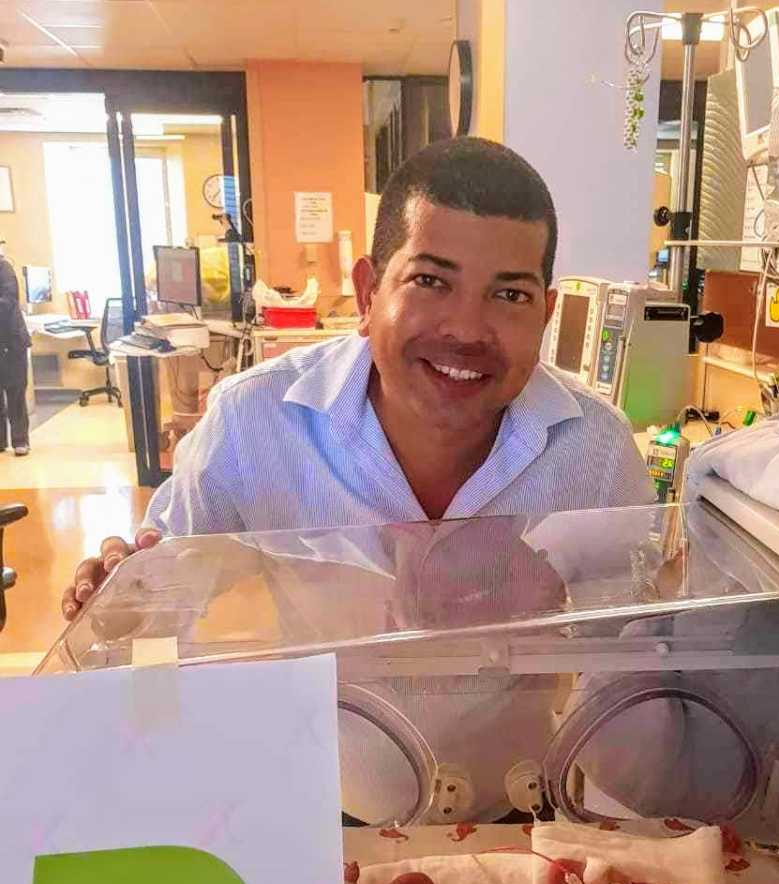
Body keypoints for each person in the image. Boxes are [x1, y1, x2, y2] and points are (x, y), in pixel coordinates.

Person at [62, 136, 654, 620]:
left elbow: (635, 653)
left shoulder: (595, 451)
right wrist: (121, 589)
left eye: (509, 294)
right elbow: (164, 589)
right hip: (323, 760)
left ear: (546, 314)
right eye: (430, 281)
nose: (468, 331)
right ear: (369, 293)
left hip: (517, 766)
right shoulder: (254, 422)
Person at [0, 247, 31, 456]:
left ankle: (20, 440)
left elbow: (7, 302)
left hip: (12, 341)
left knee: (15, 392)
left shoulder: (4, 269)